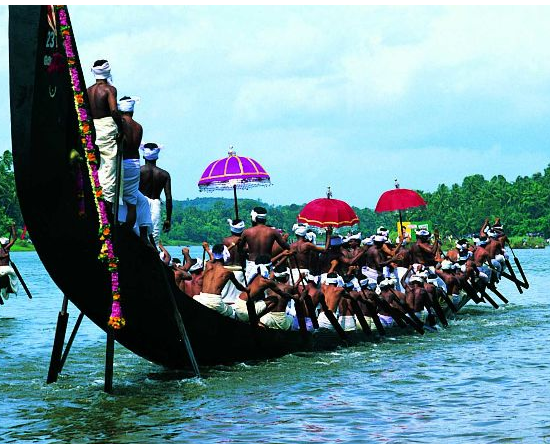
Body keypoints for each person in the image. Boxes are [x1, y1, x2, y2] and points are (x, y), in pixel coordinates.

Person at [87, 60, 121, 212]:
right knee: (108, 166)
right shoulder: (109, 90)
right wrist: (121, 128)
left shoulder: (88, 91)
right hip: (106, 128)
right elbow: (113, 111)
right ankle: (105, 208)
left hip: (93, 129)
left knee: (95, 164)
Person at [116, 96, 151, 240]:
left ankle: (119, 231)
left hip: (122, 162)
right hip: (135, 163)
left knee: (113, 197)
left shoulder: (119, 123)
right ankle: (127, 232)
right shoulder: (138, 127)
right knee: (131, 202)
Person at [194, 244, 249, 318]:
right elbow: (239, 287)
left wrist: (207, 249)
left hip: (201, 299)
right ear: (225, 255)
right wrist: (246, 290)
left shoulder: (208, 265)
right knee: (234, 314)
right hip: (215, 302)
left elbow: (213, 258)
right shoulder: (228, 272)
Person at [238, 207, 290, 281]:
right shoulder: (273, 232)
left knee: (249, 290)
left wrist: (248, 251)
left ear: (254, 218)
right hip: (267, 265)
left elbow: (240, 250)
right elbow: (288, 247)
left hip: (252, 264)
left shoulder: (247, 232)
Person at [139, 142, 172, 245]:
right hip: (156, 205)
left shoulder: (139, 171)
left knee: (139, 233)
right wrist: (168, 219)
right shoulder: (164, 174)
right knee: (154, 235)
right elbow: (169, 198)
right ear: (156, 158)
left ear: (144, 156)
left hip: (140, 203)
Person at [259, 265, 298, 330]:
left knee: (259, 321)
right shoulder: (289, 288)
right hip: (282, 321)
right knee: (292, 320)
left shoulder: (269, 286)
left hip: (268, 319)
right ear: (286, 277)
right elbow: (297, 297)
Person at [0, 224, 18, 303]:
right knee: (14, 276)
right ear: (7, 244)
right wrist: (13, 227)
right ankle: (13, 289)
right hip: (6, 269)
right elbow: (14, 238)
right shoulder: (7, 248)